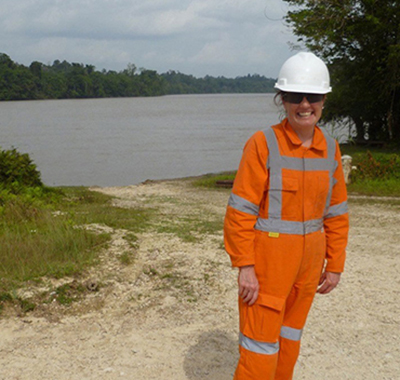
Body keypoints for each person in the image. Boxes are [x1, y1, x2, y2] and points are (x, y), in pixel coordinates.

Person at [224, 52, 349, 380]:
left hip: (307, 271)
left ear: (324, 101)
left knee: (289, 340)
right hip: (268, 269)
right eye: (295, 96)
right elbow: (240, 211)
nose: (304, 104)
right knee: (259, 348)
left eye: (313, 97)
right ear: (282, 100)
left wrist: (334, 265)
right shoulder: (263, 144)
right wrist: (245, 267)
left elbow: (336, 213)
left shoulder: (330, 148)